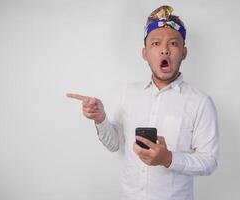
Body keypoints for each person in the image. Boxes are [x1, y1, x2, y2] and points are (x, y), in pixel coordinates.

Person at [67, 5, 219, 200]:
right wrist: (100, 119)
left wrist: (169, 159)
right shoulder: (127, 93)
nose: (164, 50)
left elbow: (210, 161)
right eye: (156, 43)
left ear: (184, 52)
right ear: (145, 53)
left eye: (173, 43)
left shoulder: (201, 102)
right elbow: (114, 144)